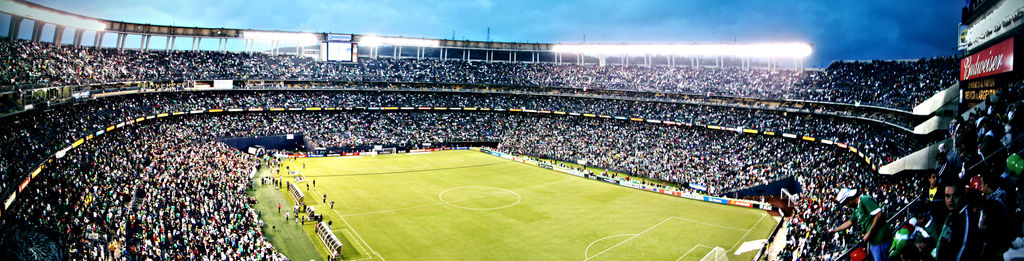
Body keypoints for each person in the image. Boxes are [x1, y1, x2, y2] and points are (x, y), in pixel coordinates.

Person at [828, 188, 892, 261]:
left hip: (880, 239)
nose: (846, 206)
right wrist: (834, 230)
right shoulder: (856, 209)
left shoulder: (865, 200)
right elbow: (850, 222)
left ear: (849, 200)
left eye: (845, 204)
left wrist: (869, 232)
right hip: (873, 241)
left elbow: (878, 214)